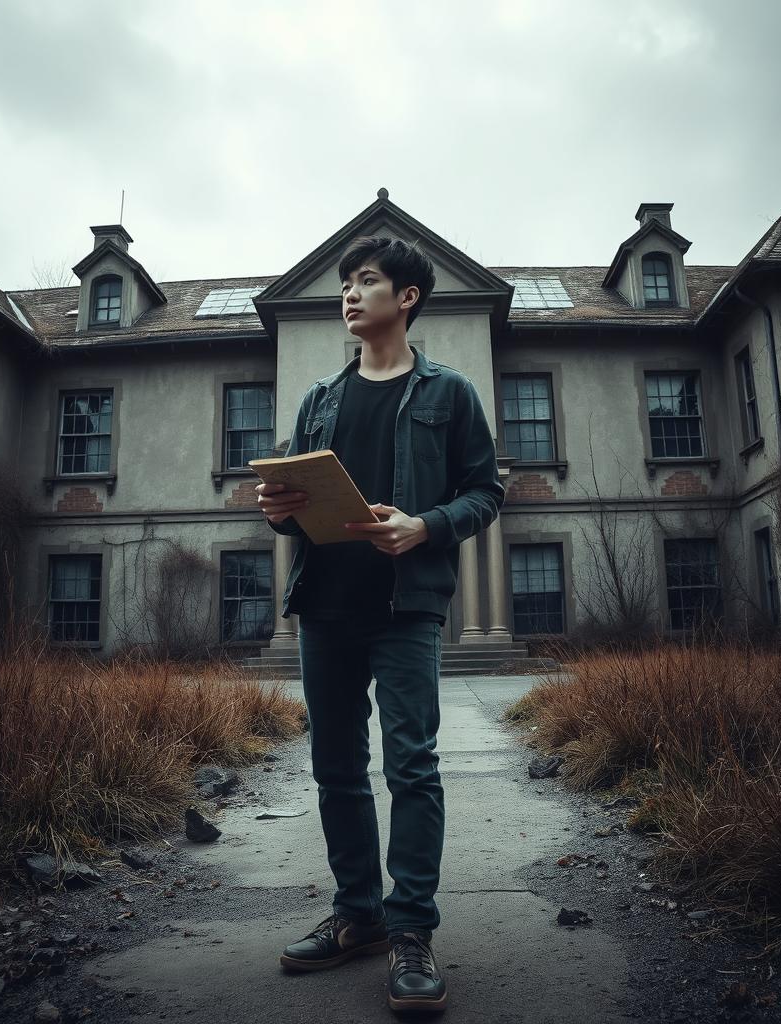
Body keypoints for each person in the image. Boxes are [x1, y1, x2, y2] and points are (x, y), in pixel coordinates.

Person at [256, 236, 503, 1015]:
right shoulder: (319, 401)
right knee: (335, 767)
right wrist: (277, 512)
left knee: (412, 767)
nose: (350, 295)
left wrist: (424, 526)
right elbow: (297, 518)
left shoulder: (450, 393)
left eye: (367, 282)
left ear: (409, 298)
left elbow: (486, 492)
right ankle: (357, 915)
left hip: (405, 608)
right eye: (346, 284)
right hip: (325, 604)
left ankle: (410, 933)